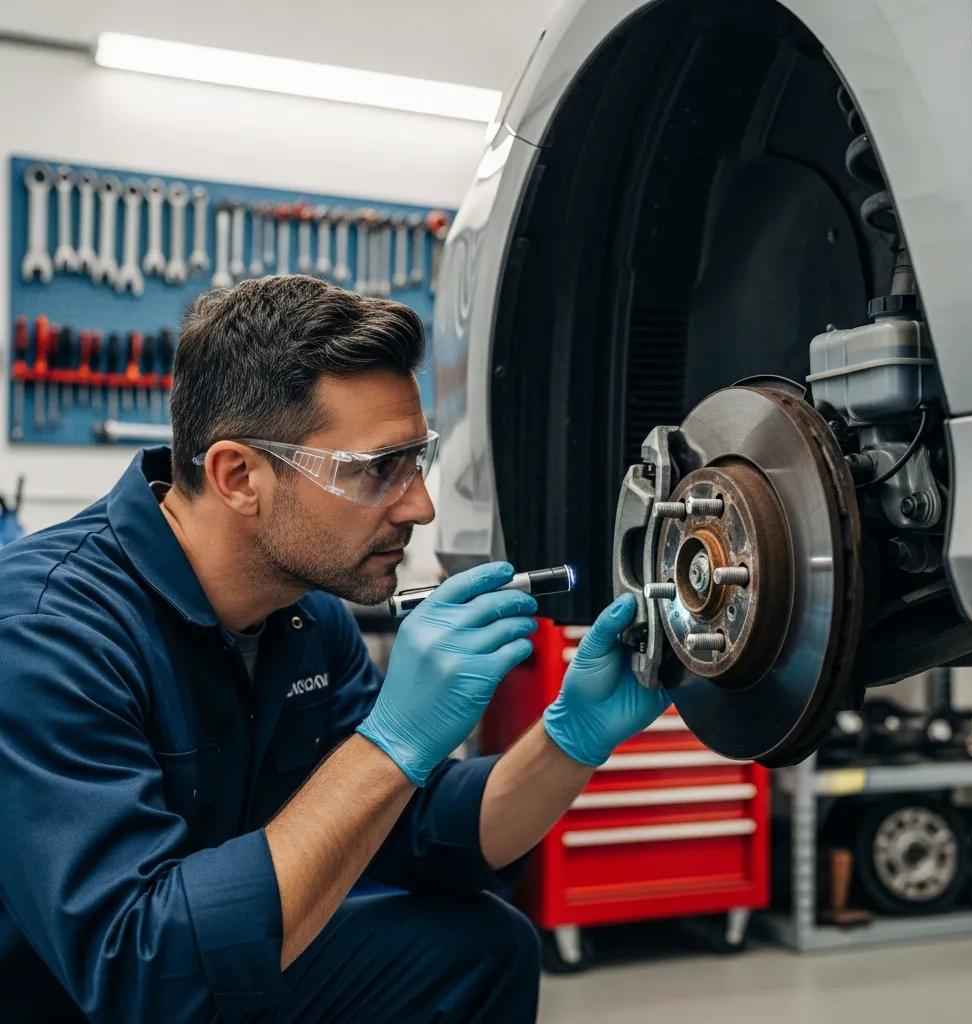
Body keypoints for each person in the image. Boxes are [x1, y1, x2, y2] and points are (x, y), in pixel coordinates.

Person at [0, 275, 669, 1024]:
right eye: (379, 469)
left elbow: (425, 833)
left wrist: (570, 740)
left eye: (417, 460)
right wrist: (389, 743)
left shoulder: (304, 618)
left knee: (480, 949)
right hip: (84, 998)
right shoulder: (43, 630)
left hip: (203, 965)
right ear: (238, 478)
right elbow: (144, 970)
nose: (419, 504)